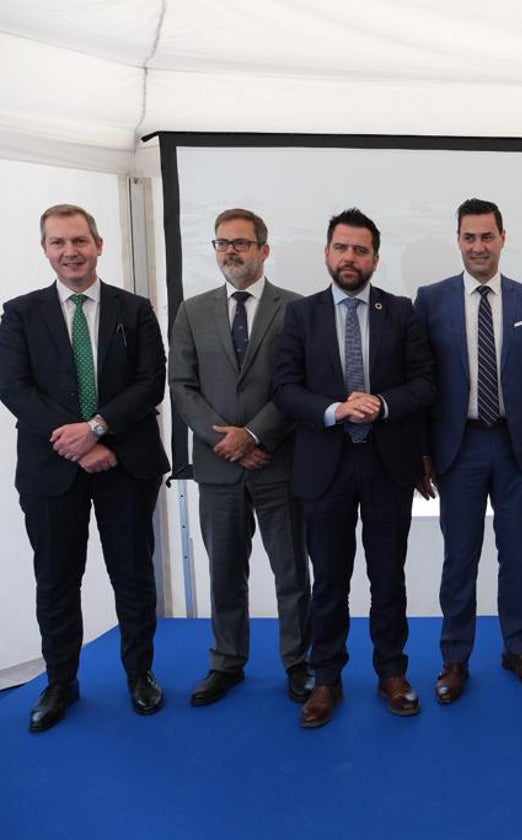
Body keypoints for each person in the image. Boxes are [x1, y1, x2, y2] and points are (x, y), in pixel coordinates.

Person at [0, 204, 170, 732]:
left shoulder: (135, 309)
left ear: (99, 245)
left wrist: (96, 429)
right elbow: (13, 387)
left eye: (79, 240)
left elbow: (150, 382)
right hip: (52, 469)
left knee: (134, 576)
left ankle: (140, 676)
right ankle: (60, 683)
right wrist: (77, 442)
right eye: (58, 243)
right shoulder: (20, 313)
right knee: (55, 579)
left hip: (125, 461)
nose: (69, 251)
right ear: (45, 249)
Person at [273, 208, 435, 728]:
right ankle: (327, 680)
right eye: (341, 248)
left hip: (388, 465)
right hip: (325, 467)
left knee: (388, 577)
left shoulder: (403, 312)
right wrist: (334, 410)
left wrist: (381, 404)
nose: (350, 258)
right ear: (326, 253)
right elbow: (284, 390)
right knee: (329, 582)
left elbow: (425, 384)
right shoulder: (300, 315)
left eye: (360, 250)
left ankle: (392, 672)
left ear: (375, 259)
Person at [414, 198, 522, 704]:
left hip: (516, 448)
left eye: (487, 237)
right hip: (458, 448)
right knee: (460, 558)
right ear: (458, 240)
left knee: (517, 554)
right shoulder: (430, 300)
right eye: (469, 237)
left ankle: (517, 650)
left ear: (503, 238)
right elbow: (421, 383)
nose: (478, 246)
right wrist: (421, 454)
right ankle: (454, 659)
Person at [169, 208, 313, 707]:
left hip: (279, 462)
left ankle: (298, 663)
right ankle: (227, 662)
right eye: (222, 243)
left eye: (241, 243)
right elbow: (182, 386)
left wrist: (254, 436)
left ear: (264, 250)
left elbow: (299, 386)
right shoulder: (192, 311)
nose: (230, 251)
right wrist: (226, 442)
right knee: (226, 571)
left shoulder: (296, 309)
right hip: (217, 468)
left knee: (291, 572)